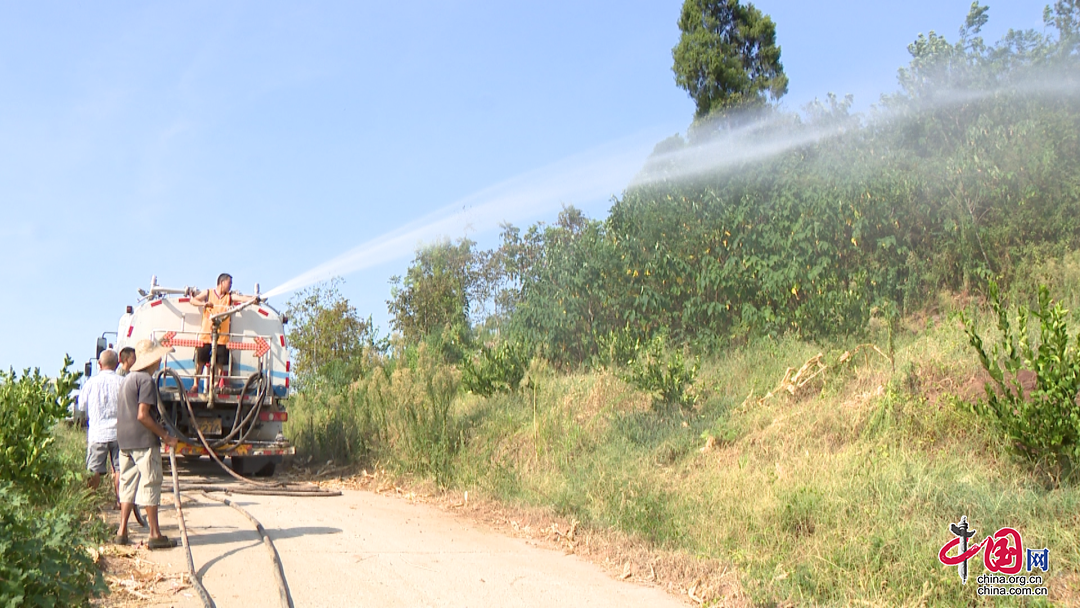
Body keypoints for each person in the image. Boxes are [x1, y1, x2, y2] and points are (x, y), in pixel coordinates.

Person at [116, 339, 179, 549]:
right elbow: (143, 415)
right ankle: (154, 534)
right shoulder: (146, 381)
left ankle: (122, 531)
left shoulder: (126, 379)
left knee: (127, 485)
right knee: (151, 482)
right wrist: (166, 437)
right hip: (143, 441)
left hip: (124, 441)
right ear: (152, 360)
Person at [190, 273, 258, 385]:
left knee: (220, 363)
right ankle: (195, 384)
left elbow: (241, 298)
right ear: (222, 283)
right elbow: (192, 301)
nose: (230, 286)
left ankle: (216, 386)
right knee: (200, 361)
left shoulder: (229, 297)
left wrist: (252, 299)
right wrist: (204, 304)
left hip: (222, 338)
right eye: (229, 283)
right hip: (206, 336)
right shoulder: (208, 293)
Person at [78, 349, 124, 503]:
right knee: (119, 469)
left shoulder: (91, 383)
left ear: (99, 363)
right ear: (117, 364)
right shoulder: (122, 382)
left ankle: (91, 500)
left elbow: (82, 406)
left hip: (98, 433)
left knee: (94, 470)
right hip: (119, 433)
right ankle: (120, 500)